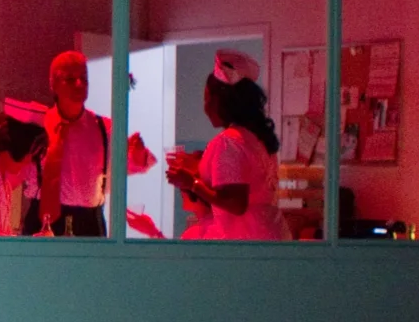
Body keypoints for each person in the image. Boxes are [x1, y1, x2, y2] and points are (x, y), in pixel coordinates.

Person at [30, 50, 157, 238]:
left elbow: (133, 164)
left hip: (89, 223)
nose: (80, 84)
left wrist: (137, 155)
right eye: (70, 79)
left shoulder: (104, 128)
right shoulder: (38, 124)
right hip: (43, 221)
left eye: (84, 78)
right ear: (53, 84)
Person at [166, 49, 289, 240]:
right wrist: (199, 165)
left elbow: (235, 203)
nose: (204, 107)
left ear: (219, 101)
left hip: (246, 240)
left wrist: (192, 183)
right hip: (271, 233)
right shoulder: (257, 137)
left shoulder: (228, 141)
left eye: (206, 99)